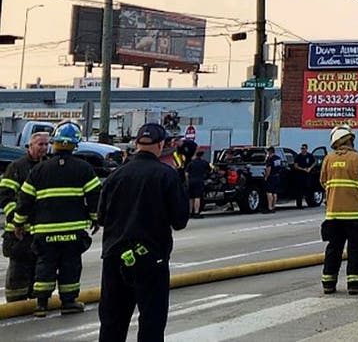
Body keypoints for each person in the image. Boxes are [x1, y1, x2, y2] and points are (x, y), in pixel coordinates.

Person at [97, 121, 189, 342]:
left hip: (114, 258)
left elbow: (100, 217)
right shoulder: (166, 176)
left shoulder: (115, 176)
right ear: (160, 145)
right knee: (151, 324)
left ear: (138, 144)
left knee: (111, 324)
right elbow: (179, 221)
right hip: (150, 259)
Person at [10, 122, 101, 317]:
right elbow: (95, 198)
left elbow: (25, 200)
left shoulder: (39, 170)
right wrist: (95, 219)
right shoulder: (84, 169)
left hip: (45, 231)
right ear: (75, 145)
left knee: (45, 265)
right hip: (72, 231)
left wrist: (18, 223)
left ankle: (41, 304)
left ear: (55, 143)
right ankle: (68, 302)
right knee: (70, 266)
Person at [319, 124, 358, 294]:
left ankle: (328, 284)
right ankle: (355, 285)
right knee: (356, 251)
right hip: (355, 215)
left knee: (333, 250)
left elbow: (323, 182)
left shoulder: (328, 160)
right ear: (350, 139)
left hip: (333, 214)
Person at [0, 130, 49, 302]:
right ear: (30, 145)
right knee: (18, 275)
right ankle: (16, 305)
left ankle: (36, 304)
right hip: (19, 235)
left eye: (46, 144)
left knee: (39, 274)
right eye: (40, 144)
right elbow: (5, 195)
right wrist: (16, 220)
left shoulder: (48, 167)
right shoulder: (17, 167)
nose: (44, 148)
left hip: (41, 232)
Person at [185, 151, 211, 218]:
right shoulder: (204, 163)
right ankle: (196, 213)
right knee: (197, 197)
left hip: (191, 181)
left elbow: (186, 174)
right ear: (202, 156)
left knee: (191, 197)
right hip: (199, 180)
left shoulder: (191, 163)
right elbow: (210, 170)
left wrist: (187, 182)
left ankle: (190, 213)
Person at [292, 143, 317, 209]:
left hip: (308, 175)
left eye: (304, 148)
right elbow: (295, 165)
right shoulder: (298, 156)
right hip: (300, 176)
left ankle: (311, 203)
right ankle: (299, 205)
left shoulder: (310, 156)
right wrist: (303, 169)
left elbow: (314, 162)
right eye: (302, 148)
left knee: (309, 189)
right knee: (300, 191)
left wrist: (310, 168)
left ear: (306, 149)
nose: (303, 150)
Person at [263, 146, 281, 213]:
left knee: (269, 192)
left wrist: (266, 177)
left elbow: (268, 169)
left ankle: (269, 207)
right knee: (275, 193)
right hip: (277, 176)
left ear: (269, 152)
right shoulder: (278, 158)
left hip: (271, 177)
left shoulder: (270, 159)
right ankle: (273, 207)